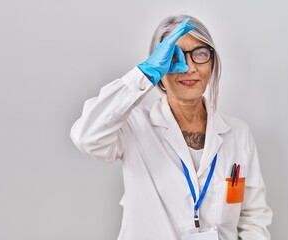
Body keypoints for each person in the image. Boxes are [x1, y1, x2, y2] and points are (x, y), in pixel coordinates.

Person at [70, 14, 273, 240]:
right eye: (175, 57)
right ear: (159, 67)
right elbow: (87, 137)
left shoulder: (238, 133)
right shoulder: (134, 125)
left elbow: (253, 215)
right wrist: (144, 73)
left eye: (200, 54)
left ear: (213, 63)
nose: (189, 68)